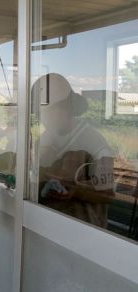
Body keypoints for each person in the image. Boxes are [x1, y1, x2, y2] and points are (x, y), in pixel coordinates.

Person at [34, 73, 114, 228]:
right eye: (42, 112)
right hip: (47, 225)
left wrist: (75, 191)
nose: (44, 118)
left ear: (67, 108)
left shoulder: (95, 143)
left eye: (49, 111)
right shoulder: (44, 138)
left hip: (83, 231)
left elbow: (108, 194)